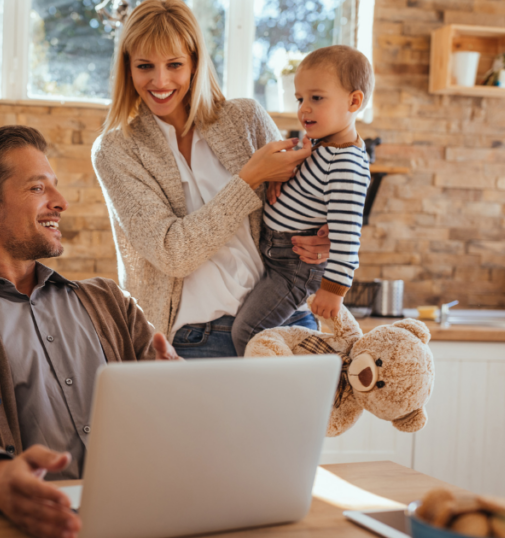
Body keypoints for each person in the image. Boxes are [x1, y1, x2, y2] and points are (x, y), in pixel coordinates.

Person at [0, 125, 181, 538]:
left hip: (142, 518)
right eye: (37, 188)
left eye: (54, 188)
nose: (59, 203)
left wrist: (180, 388)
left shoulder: (110, 300)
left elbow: (172, 398)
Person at [91, 0, 331, 359]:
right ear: (127, 68)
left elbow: (300, 206)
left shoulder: (246, 119)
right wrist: (249, 178)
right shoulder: (115, 150)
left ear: (195, 63)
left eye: (174, 65)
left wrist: (321, 240)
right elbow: (172, 253)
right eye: (145, 66)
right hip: (200, 340)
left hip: (287, 322)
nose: (160, 81)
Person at [231, 45, 374, 355]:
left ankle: (281, 398)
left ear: (354, 101)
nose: (304, 108)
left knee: (247, 332)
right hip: (276, 254)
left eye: (316, 98)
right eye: (300, 99)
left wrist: (333, 290)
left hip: (293, 268)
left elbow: (348, 235)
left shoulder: (346, 163)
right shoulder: (323, 147)